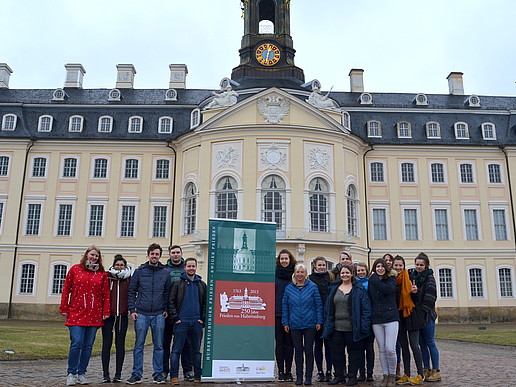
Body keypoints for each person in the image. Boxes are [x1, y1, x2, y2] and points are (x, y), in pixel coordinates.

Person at [60, 246, 110, 386]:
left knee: (88, 346)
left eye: (96, 256)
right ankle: (71, 373)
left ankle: (82, 373)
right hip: (77, 312)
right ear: (87, 255)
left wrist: (106, 311)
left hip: (94, 314)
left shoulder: (101, 274)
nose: (94, 257)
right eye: (92, 254)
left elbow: (106, 294)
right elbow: (66, 288)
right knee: (76, 342)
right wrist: (64, 307)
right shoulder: (75, 269)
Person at [127, 243, 171, 385]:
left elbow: (167, 293)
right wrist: (132, 310)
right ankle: (136, 374)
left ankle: (158, 374)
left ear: (159, 256)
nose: (154, 256)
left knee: (158, 346)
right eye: (152, 254)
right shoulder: (140, 271)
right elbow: (131, 291)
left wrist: (165, 309)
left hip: (158, 314)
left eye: (157, 254)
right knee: (139, 345)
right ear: (148, 255)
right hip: (142, 314)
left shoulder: (165, 272)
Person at [323, 264, 372, 386]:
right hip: (336, 328)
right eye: (343, 273)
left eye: (347, 273)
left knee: (354, 353)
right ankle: (339, 376)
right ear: (340, 274)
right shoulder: (334, 288)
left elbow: (366, 309)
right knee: (336, 353)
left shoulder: (359, 289)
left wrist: (364, 326)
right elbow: (328, 307)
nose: (345, 275)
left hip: (353, 327)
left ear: (351, 274)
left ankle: (352, 376)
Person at [282, 263, 323, 386]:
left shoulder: (313, 287)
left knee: (309, 350)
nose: (300, 274)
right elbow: (285, 306)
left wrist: (319, 321)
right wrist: (285, 322)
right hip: (294, 324)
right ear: (294, 273)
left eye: (302, 272)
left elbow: (318, 305)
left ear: (306, 274)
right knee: (298, 351)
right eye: (298, 272)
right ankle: (299, 376)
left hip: (310, 323)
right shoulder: (289, 288)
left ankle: (308, 376)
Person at [168, 257, 207, 385]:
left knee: (196, 351)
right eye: (189, 266)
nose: (191, 268)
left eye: (193, 266)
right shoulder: (178, 283)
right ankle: (174, 376)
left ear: (196, 267)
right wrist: (176, 318)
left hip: (196, 323)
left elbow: (205, 304)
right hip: (181, 322)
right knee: (176, 350)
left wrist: (202, 318)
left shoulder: (201, 284)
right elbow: (171, 302)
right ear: (184, 268)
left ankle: (197, 375)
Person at [163, 245, 193, 382]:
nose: (176, 255)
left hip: (183, 312)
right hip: (167, 312)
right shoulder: (164, 270)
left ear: (181, 254)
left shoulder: (186, 269)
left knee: (186, 344)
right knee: (165, 343)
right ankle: (164, 370)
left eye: (178, 252)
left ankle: (187, 370)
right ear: (169, 254)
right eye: (173, 253)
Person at [392, 256, 424, 385]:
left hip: (411, 315)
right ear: (392, 266)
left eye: (400, 265)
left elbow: (417, 300)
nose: (398, 268)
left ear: (404, 266)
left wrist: (415, 292)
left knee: (414, 345)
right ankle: (407, 373)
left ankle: (420, 374)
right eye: (396, 265)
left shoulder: (410, 278)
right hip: (398, 317)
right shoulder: (391, 280)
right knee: (403, 346)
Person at [101, 254, 132, 383]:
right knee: (106, 344)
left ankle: (118, 374)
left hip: (122, 316)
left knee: (120, 345)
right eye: (117, 265)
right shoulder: (107, 277)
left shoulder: (129, 279)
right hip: (109, 316)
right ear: (113, 265)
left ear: (125, 266)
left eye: (121, 265)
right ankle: (105, 374)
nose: (119, 267)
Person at [411, 253, 441, 383]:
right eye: (417, 264)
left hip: (427, 316)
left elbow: (430, 298)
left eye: (421, 265)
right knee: (421, 344)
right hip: (419, 316)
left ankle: (436, 370)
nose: (418, 267)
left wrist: (422, 313)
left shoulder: (429, 278)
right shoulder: (413, 277)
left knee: (430, 342)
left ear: (426, 265)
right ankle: (426, 369)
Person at [369, 258, 399, 387]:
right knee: (381, 349)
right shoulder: (371, 281)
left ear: (385, 268)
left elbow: (388, 290)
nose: (380, 268)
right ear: (374, 268)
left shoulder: (391, 279)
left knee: (390, 349)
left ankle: (392, 374)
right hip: (376, 319)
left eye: (382, 266)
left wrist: (375, 280)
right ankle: (385, 375)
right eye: (377, 266)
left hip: (391, 318)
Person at [308, 257, 334, 382]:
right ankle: (320, 371)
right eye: (320, 265)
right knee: (317, 346)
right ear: (314, 266)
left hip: (329, 316)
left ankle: (329, 371)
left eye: (324, 265)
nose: (322, 267)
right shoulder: (310, 279)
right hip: (316, 316)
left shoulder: (330, 277)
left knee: (329, 346)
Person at [275, 249, 296, 382]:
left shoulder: (295, 275)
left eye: (286, 258)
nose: (284, 261)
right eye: (282, 259)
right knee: (279, 343)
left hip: (292, 314)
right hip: (277, 313)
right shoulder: (274, 275)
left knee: (290, 344)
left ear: (290, 260)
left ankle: (288, 371)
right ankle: (281, 371)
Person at [354, 262, 374, 382]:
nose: (361, 272)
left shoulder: (371, 283)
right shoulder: (354, 284)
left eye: (363, 270)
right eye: (359, 271)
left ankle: (370, 373)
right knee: (360, 348)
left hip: (370, 319)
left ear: (366, 271)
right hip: (358, 319)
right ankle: (361, 372)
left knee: (369, 348)